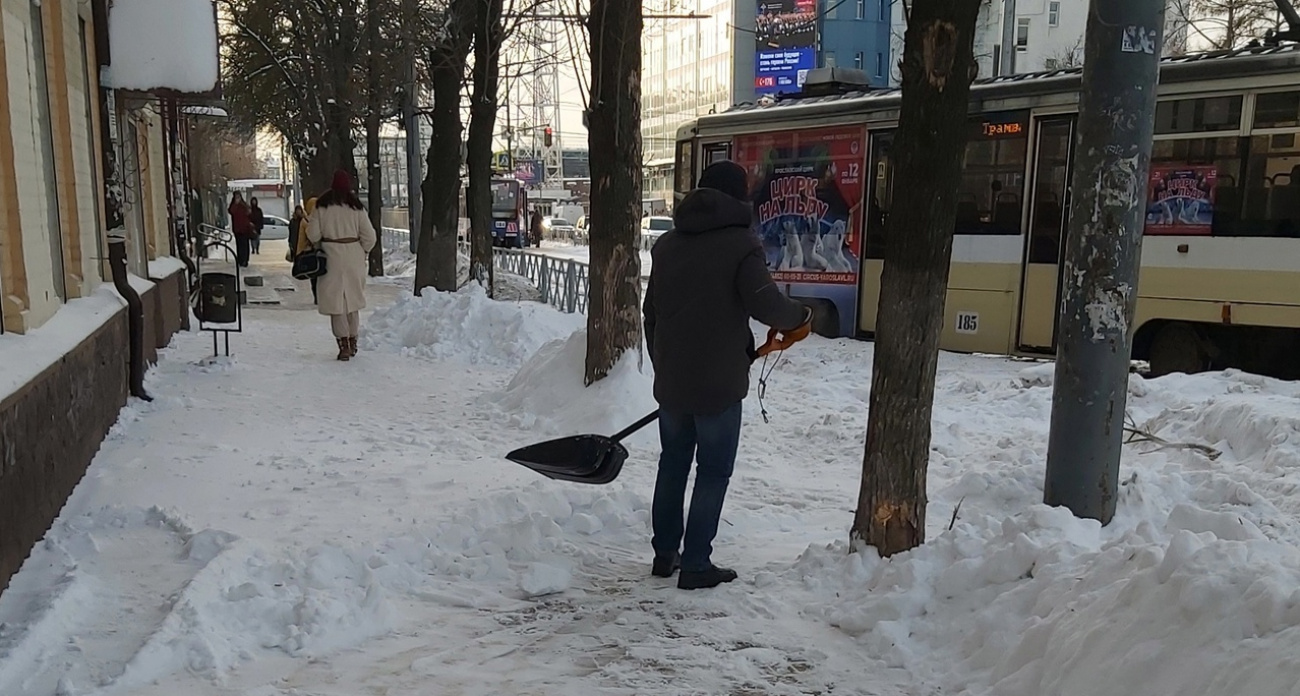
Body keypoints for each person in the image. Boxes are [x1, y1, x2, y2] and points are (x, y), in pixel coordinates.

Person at [642, 160, 813, 590]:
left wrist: (665, 364)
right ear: (739, 198)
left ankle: (665, 554)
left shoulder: (667, 246)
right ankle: (696, 563)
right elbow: (767, 304)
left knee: (673, 464)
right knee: (713, 471)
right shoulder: (741, 246)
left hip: (673, 384)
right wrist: (802, 317)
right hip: (719, 385)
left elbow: (651, 315)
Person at [306, 171, 375, 361]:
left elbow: (312, 234)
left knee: (336, 302)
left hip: (331, 256)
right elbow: (370, 237)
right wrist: (362, 251)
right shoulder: (357, 208)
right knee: (352, 301)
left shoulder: (322, 206)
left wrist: (321, 244)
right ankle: (353, 341)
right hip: (354, 256)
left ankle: (343, 343)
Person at [228, 192, 254, 267]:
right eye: (236, 197)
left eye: (238, 197)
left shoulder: (244, 205)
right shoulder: (233, 206)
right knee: (239, 245)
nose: (237, 199)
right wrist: (235, 204)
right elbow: (231, 211)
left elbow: (249, 212)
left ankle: (245, 260)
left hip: (245, 228)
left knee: (245, 245)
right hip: (237, 229)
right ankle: (240, 259)